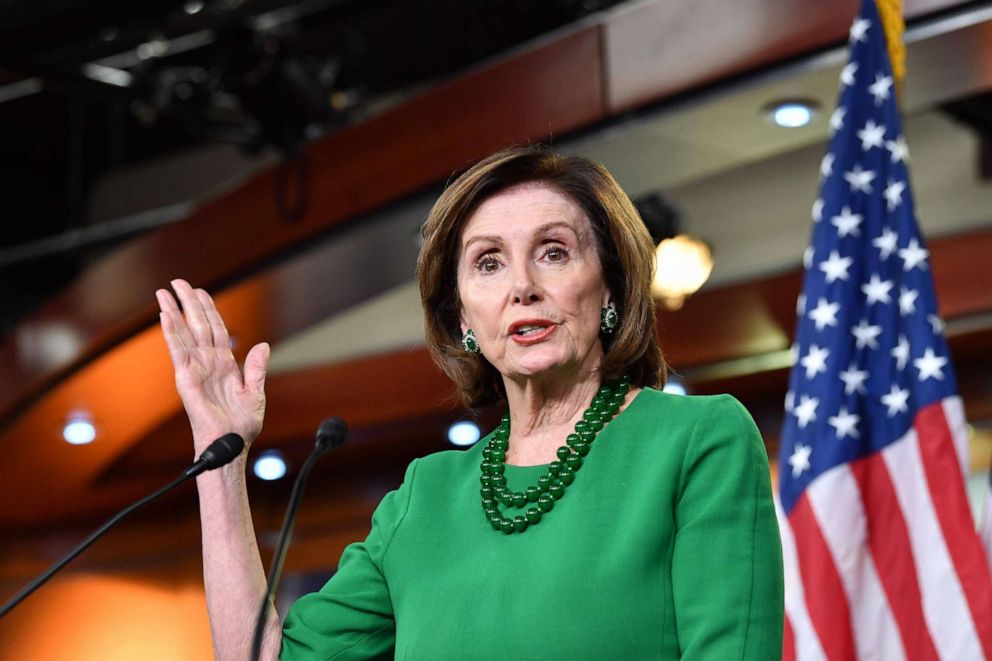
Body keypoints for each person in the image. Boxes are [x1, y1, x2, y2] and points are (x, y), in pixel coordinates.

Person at [156, 145, 784, 660]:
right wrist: (222, 460)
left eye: (554, 252)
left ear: (612, 285)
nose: (522, 287)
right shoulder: (425, 497)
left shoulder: (699, 440)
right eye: (488, 263)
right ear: (461, 316)